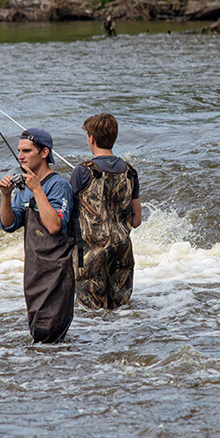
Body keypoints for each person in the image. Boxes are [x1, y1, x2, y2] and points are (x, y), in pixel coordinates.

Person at [0, 128, 75, 343]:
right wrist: (6, 196)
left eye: (26, 151)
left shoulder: (59, 185)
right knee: (39, 333)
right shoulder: (24, 187)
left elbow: (54, 226)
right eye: (19, 151)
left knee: (49, 332)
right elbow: (9, 224)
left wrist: (38, 190)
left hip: (56, 269)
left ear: (44, 153)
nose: (20, 156)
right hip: (34, 269)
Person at [69, 113, 141, 309]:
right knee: (121, 311)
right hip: (122, 249)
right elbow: (136, 221)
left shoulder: (82, 171)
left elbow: (69, 214)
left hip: (90, 253)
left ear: (91, 138)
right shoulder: (130, 171)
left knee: (92, 313)